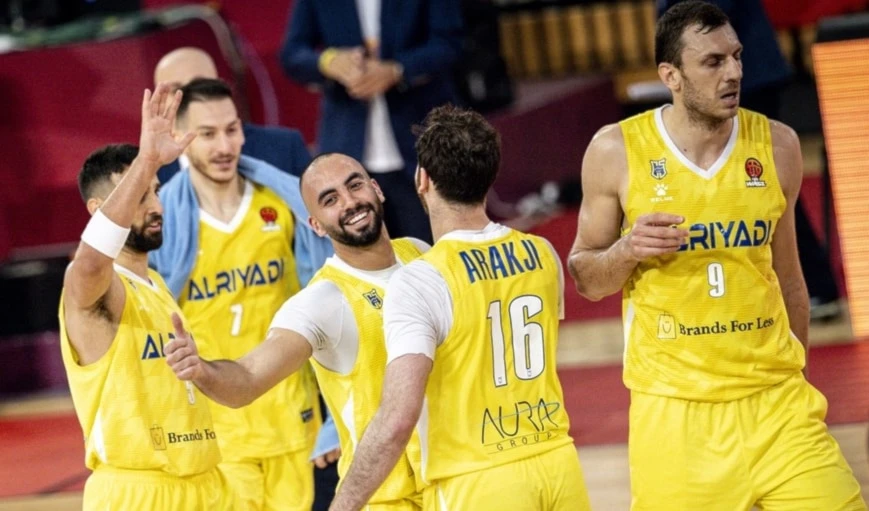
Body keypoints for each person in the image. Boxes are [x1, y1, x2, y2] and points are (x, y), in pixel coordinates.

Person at [568, 2, 865, 509]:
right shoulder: (615, 150)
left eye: (737, 56)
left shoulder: (777, 144)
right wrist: (627, 249)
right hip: (678, 420)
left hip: (779, 409)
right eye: (712, 62)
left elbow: (791, 279)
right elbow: (586, 277)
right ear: (671, 75)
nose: (734, 73)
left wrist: (794, 376)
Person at [329, 105, 591, 511]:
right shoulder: (542, 253)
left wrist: (343, 504)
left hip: (477, 480)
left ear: (423, 179)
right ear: (489, 177)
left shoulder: (420, 279)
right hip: (557, 462)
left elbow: (397, 419)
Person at [164, 153, 429, 509]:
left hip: (454, 483)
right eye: (330, 200)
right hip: (390, 498)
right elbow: (247, 378)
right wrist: (201, 369)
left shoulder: (420, 255)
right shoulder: (322, 301)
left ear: (376, 188)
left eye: (355, 185)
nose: (350, 202)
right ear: (316, 225)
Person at [148, 78, 333, 511]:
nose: (224, 145)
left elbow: (326, 300)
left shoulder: (285, 203)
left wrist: (332, 419)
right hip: (216, 429)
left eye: (232, 130)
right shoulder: (163, 223)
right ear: (179, 138)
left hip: (291, 417)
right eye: (207, 134)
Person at [59, 84, 224, 509]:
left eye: (154, 190)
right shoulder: (92, 287)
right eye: (139, 194)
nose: (156, 205)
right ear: (98, 210)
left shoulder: (159, 287)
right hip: (139, 493)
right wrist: (148, 157)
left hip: (203, 484)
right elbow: (91, 263)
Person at [656, 0, 841, 321]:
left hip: (747, 78)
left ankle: (816, 285)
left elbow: (706, 14)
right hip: (737, 70)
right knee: (755, 187)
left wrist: (680, 37)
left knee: (768, 186)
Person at [279, 0, 465, 244]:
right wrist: (328, 61)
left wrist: (398, 70)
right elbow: (292, 53)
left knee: (438, 254)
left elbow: (450, 42)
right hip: (348, 146)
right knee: (366, 265)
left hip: (421, 145)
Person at [154, 47, 313, 184]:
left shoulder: (284, 148)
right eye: (176, 90)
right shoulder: (148, 173)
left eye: (199, 86)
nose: (189, 99)